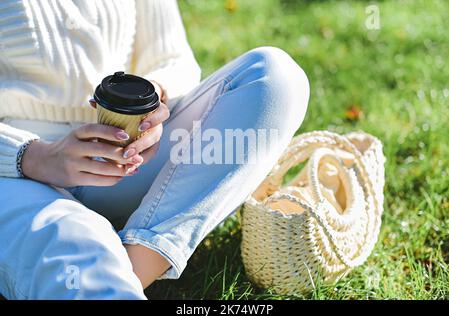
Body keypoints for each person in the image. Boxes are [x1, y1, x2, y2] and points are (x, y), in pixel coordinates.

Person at [0, 0, 309, 299]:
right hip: (16, 175)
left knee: (275, 77)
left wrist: (155, 98)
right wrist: (32, 156)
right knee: (78, 238)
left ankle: (137, 262)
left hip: (129, 158)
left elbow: (173, 57)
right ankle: (98, 271)